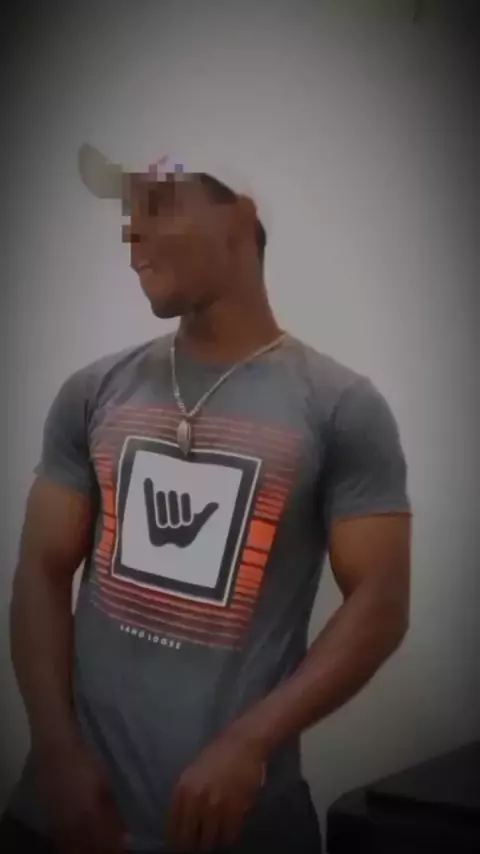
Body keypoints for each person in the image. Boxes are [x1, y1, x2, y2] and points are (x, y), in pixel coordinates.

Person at [1, 144, 412, 854]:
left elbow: (381, 602)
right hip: (66, 821)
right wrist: (56, 748)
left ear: (239, 218)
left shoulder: (341, 406)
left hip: (236, 829)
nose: (132, 233)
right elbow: (41, 570)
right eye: (128, 214)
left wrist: (252, 740)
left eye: (158, 206)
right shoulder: (93, 391)